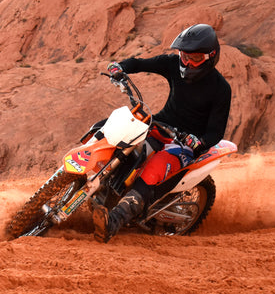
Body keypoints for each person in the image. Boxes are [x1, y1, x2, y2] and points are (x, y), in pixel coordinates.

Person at [92, 23, 232, 243]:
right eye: (184, 57)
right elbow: (140, 64)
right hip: (160, 125)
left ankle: (113, 222)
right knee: (112, 129)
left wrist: (198, 141)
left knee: (153, 170)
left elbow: (215, 132)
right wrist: (119, 67)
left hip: (185, 143)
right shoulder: (173, 65)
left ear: (211, 56)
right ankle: (83, 179)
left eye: (194, 58)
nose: (187, 63)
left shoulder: (221, 88)